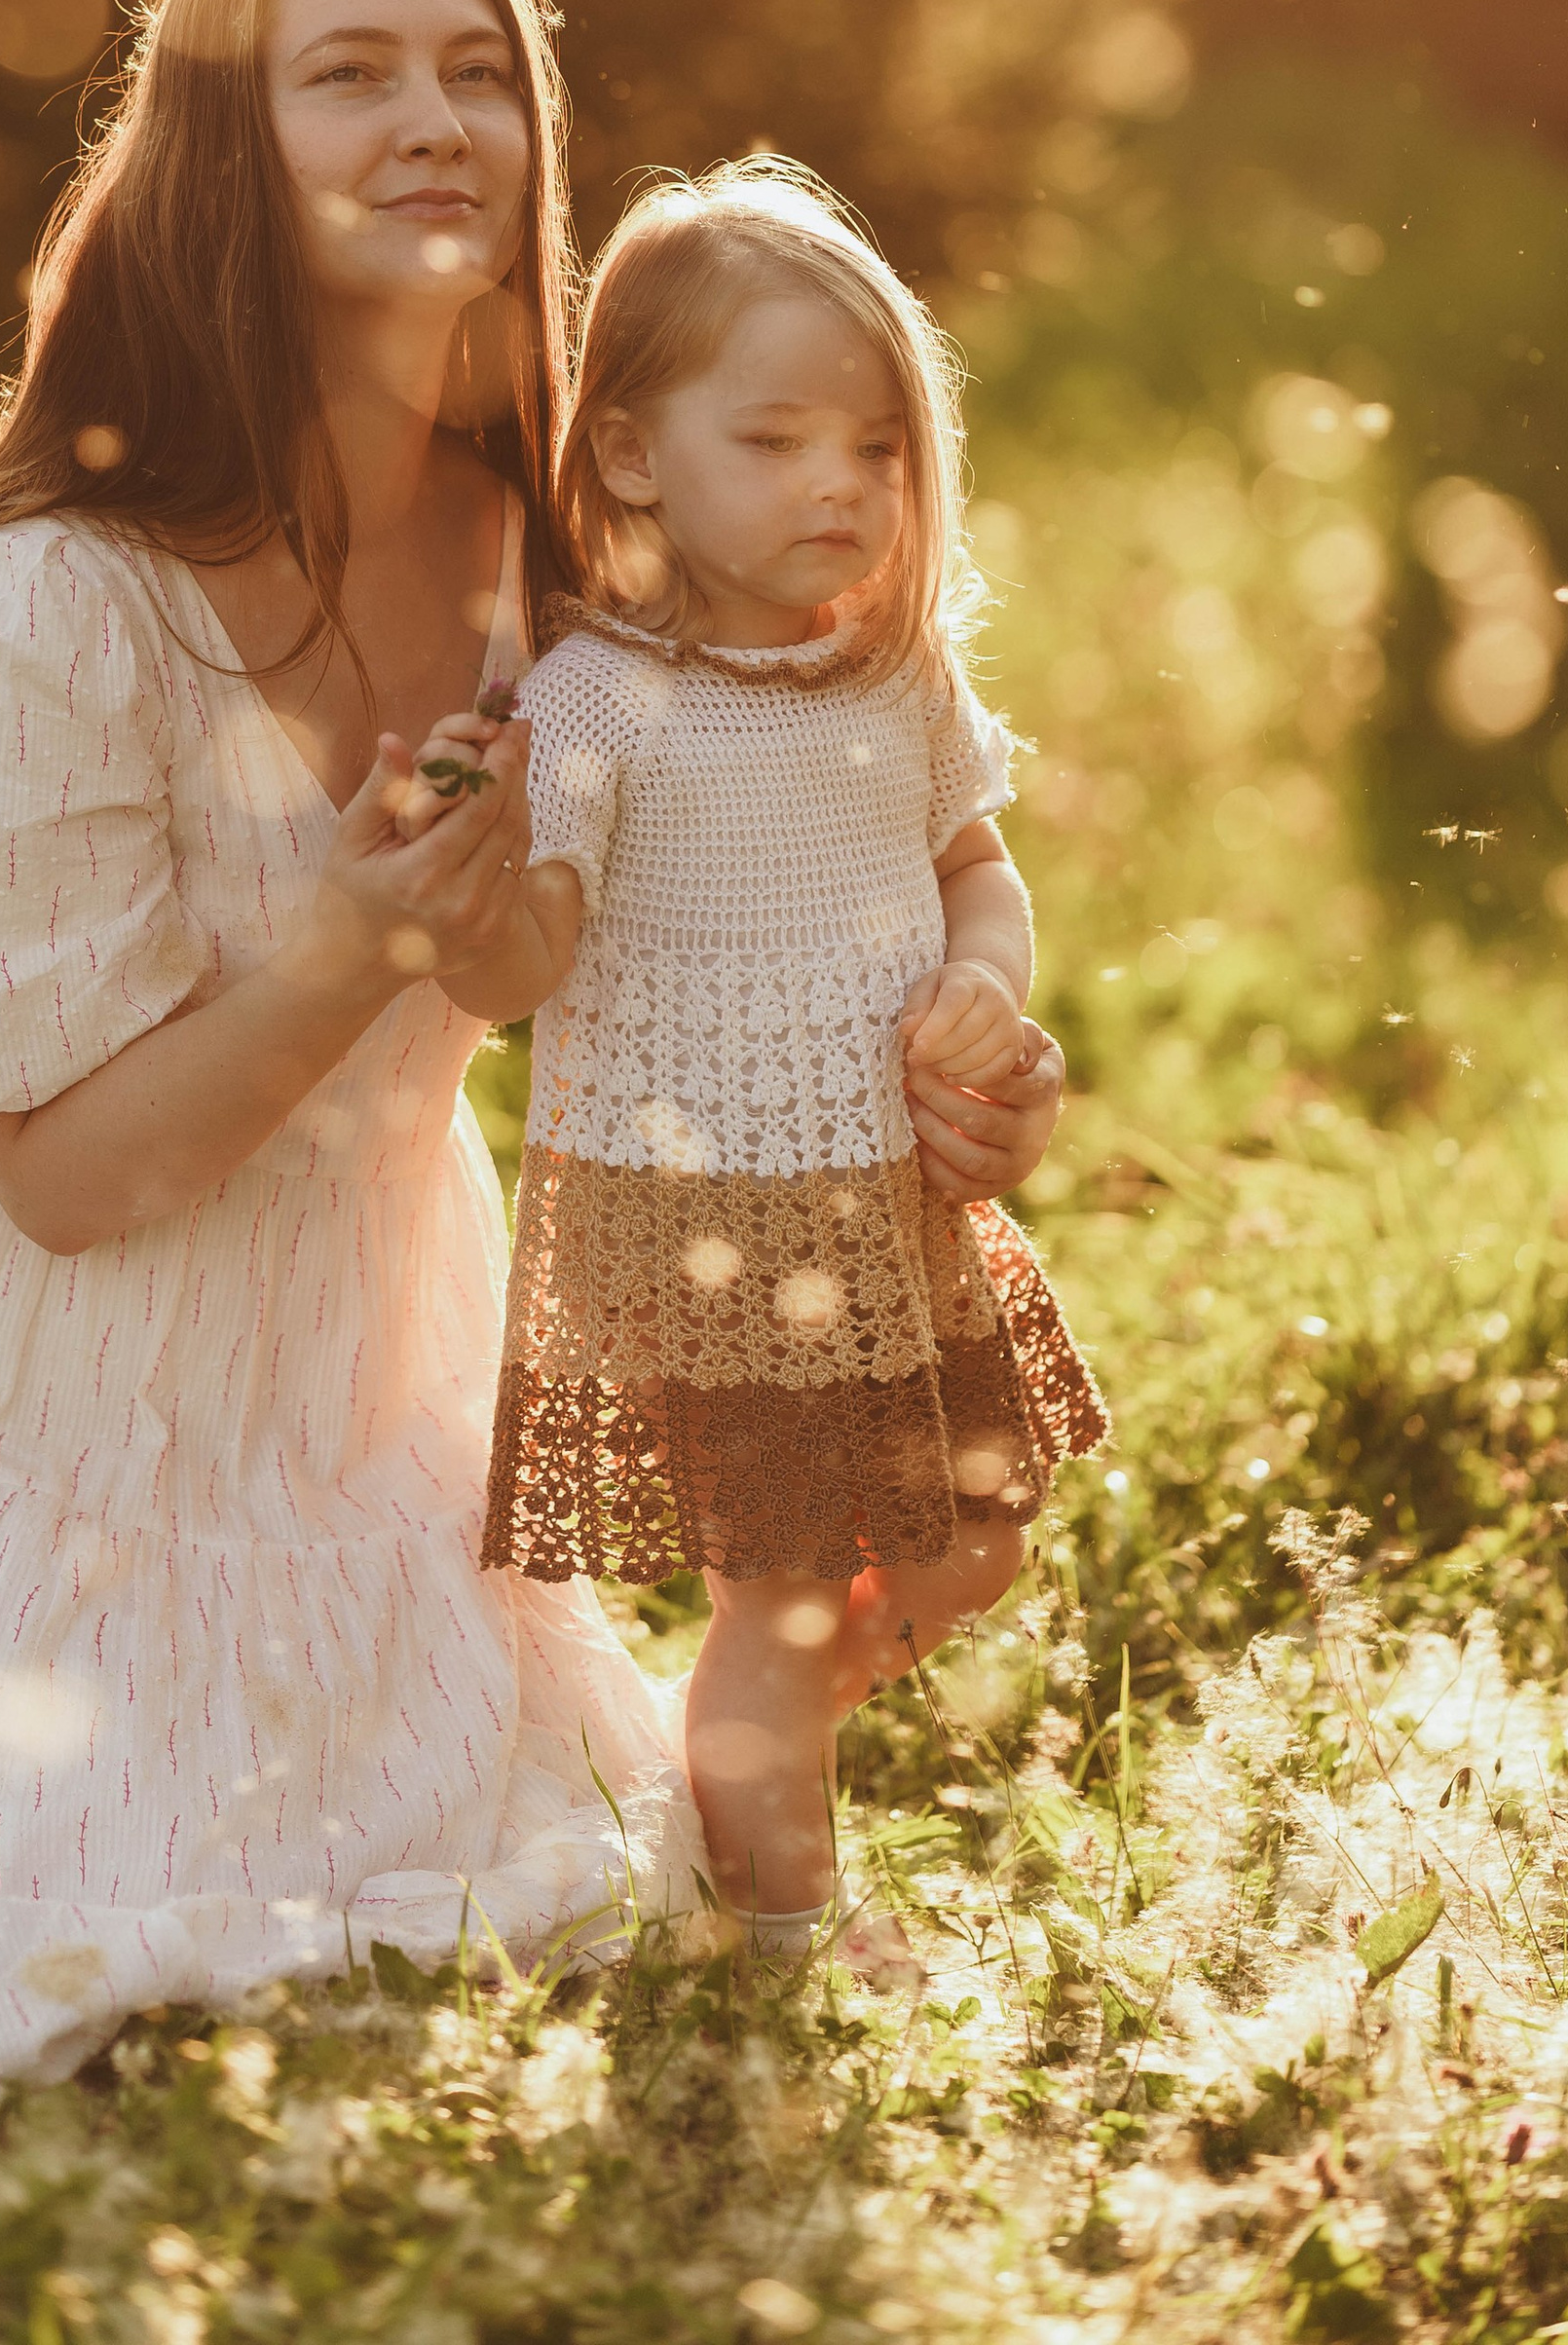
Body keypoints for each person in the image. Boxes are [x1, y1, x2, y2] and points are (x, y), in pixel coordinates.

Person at [0, 0, 1073, 2091]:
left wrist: (950, 1074)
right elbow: (69, 1187)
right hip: (2, 1397)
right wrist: (352, 939)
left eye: (479, 72)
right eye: (347, 73)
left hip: (354, 1365)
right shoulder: (42, 610)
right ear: (217, 146)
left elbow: (763, 909)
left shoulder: (564, 562)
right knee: (54, 1922)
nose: (433, 118)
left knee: (505, 1875)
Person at [441, 160, 1106, 1951]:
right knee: (784, 1607)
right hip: (706, 1229)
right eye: (780, 441)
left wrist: (987, 981)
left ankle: (739, 1751)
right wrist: (456, 883)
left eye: (878, 449)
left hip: (884, 1211)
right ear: (641, 458)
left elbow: (978, 865)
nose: (842, 484)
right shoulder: (600, 700)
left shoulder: (886, 675)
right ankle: (793, 1924)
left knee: (975, 1547)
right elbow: (525, 961)